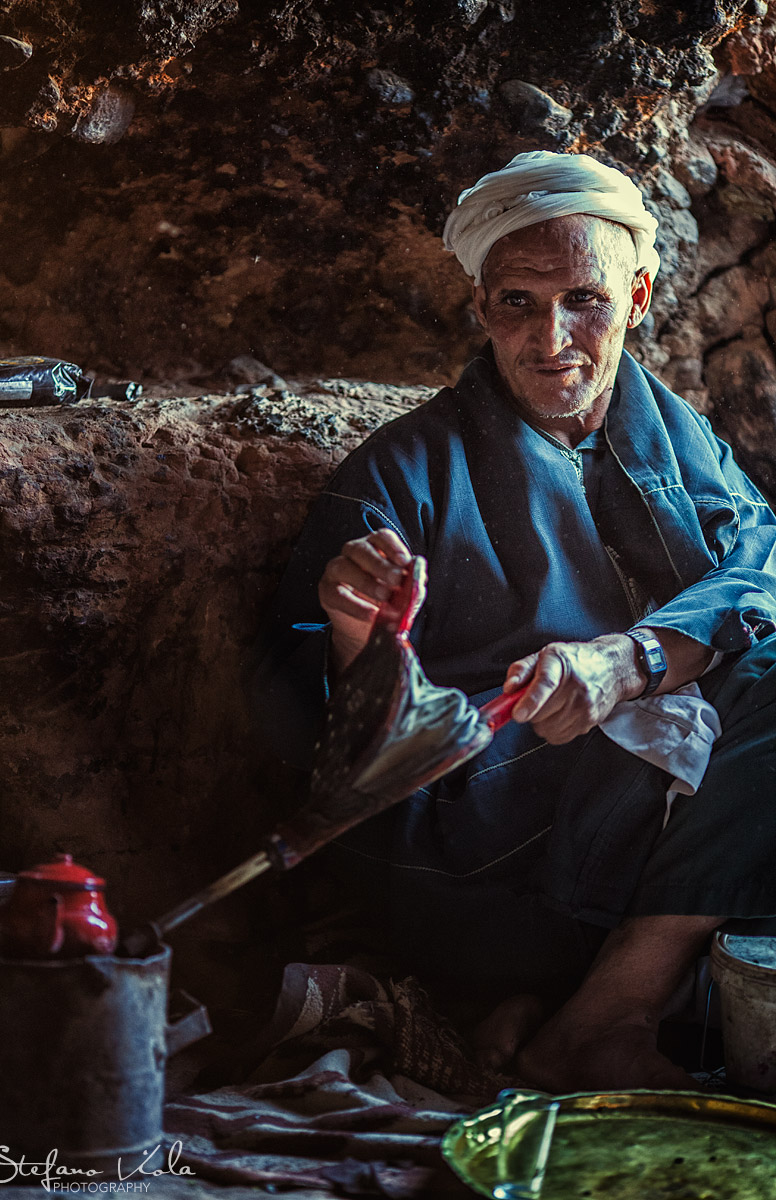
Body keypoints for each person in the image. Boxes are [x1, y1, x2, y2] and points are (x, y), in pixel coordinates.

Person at [254, 151, 776, 1092]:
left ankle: (570, 1007)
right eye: (517, 303)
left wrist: (632, 660)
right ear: (480, 306)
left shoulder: (672, 429)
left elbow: (761, 566)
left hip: (651, 820)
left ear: (642, 293)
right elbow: (307, 734)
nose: (552, 339)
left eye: (586, 299)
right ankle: (606, 1014)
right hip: (491, 845)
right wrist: (355, 637)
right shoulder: (398, 474)